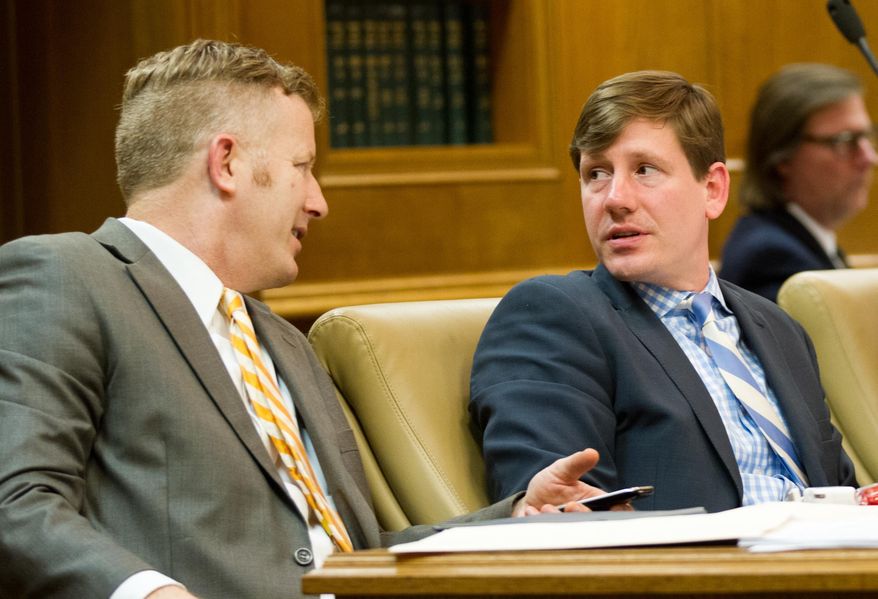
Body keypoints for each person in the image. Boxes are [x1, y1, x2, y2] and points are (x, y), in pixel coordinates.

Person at [0, 39, 604, 599]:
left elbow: (350, 554)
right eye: (302, 167)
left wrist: (518, 519)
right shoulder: (67, 278)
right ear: (227, 164)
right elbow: (16, 503)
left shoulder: (283, 342)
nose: (319, 201)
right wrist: (151, 593)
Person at [470, 71, 855, 515]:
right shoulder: (556, 315)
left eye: (644, 170)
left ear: (713, 189)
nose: (615, 198)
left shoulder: (780, 331)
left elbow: (844, 491)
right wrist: (539, 508)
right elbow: (556, 497)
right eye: (595, 173)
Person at [720, 63, 878, 302]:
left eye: (866, 137)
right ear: (783, 156)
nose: (869, 158)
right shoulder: (773, 260)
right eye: (845, 140)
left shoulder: (804, 240)